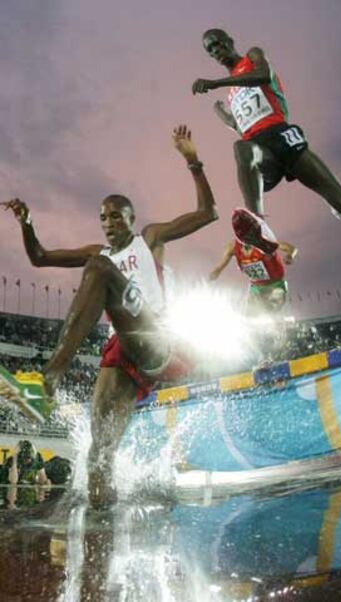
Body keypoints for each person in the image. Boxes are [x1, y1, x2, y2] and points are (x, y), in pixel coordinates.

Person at [2, 125, 218, 507]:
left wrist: (192, 160)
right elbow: (40, 257)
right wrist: (27, 223)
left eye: (116, 216)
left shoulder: (149, 238)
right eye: (103, 217)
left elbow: (208, 213)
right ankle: (104, 511)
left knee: (100, 268)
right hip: (121, 350)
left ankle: (48, 379)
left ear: (132, 219)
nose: (108, 223)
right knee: (99, 453)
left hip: (154, 337)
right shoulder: (97, 252)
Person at [192, 29, 341, 250]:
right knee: (242, 148)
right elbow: (241, 127)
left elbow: (263, 75)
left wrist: (216, 83)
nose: (216, 51)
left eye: (218, 44)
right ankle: (257, 225)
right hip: (262, 150)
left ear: (230, 42)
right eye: (211, 50)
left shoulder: (252, 56)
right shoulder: (232, 93)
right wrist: (223, 115)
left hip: (284, 138)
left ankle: (335, 202)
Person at [209, 207, 297, 315]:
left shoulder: (265, 242)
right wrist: (215, 272)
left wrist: (290, 256)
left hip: (275, 285)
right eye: (247, 237)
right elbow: (220, 266)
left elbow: (291, 248)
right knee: (249, 314)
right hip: (256, 288)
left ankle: (274, 315)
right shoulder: (232, 247)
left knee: (274, 304)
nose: (251, 240)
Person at [4, 440, 51, 508]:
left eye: (29, 458)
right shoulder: (12, 461)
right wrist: (15, 459)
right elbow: (13, 482)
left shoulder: (37, 459)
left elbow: (43, 479)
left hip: (30, 490)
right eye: (26, 458)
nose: (28, 460)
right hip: (16, 490)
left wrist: (43, 493)